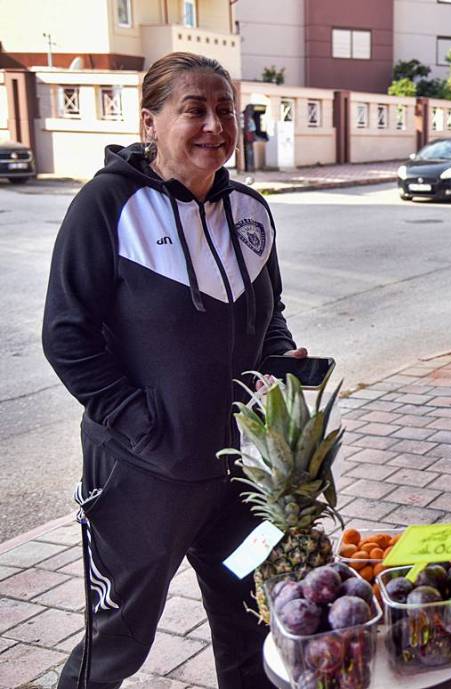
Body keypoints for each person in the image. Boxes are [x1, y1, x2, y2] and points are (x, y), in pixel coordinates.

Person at [42, 52, 302, 689]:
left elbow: (270, 316)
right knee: (118, 644)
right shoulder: (108, 206)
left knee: (256, 625)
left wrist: (284, 363)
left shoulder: (250, 210)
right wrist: (143, 424)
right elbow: (66, 335)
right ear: (151, 122)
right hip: (143, 477)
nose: (215, 124)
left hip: (240, 478)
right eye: (195, 109)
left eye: (226, 110)